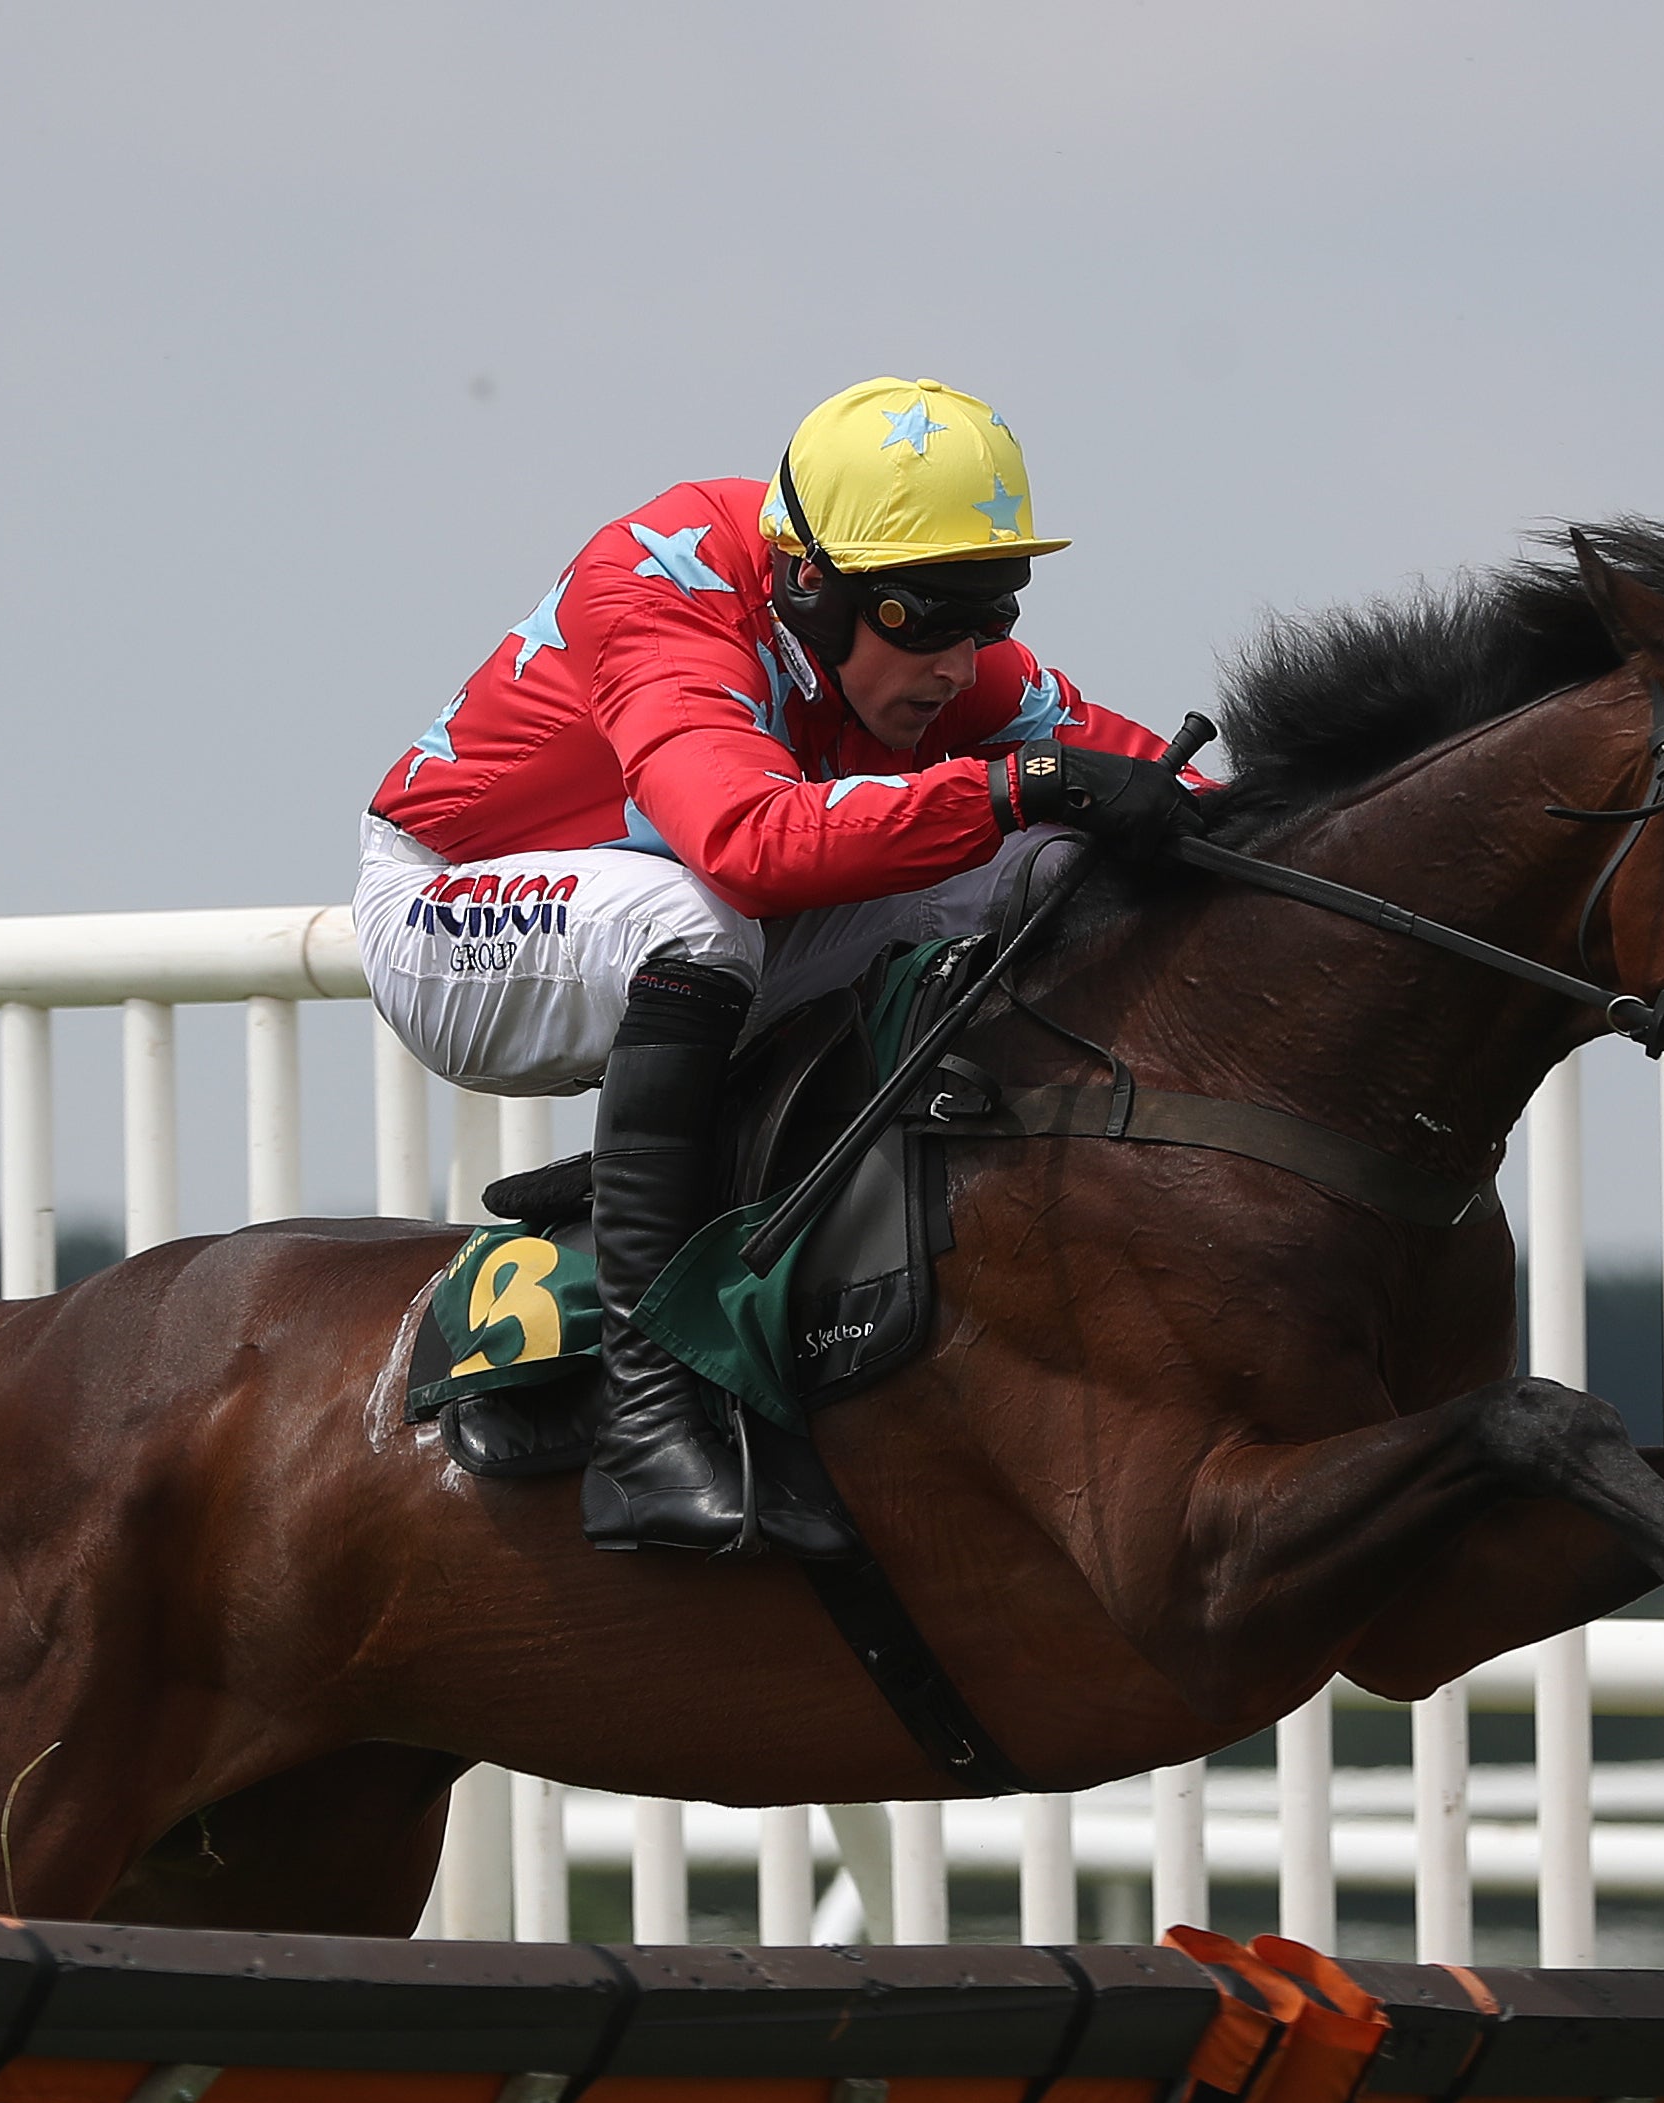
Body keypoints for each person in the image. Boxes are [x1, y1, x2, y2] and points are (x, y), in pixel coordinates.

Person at [355, 376, 1202, 1556]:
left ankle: (712, 1160)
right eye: (923, 617)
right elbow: (746, 846)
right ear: (808, 581)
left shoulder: (920, 638)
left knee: (1045, 861)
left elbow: (1155, 782)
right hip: (448, 918)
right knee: (704, 918)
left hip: (670, 926)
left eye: (990, 614)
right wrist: (1019, 781)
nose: (959, 664)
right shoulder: (660, 583)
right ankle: (644, 1424)